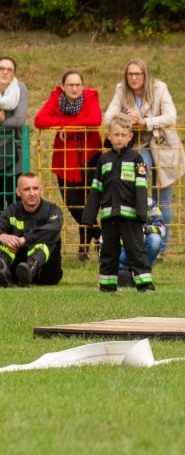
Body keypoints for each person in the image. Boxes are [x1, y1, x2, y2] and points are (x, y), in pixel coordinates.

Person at [104, 58, 185, 257]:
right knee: (137, 188)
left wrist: (145, 121)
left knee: (164, 200)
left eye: (137, 74)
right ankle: (137, 239)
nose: (133, 78)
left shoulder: (160, 88)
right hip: (139, 145)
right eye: (130, 74)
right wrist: (127, 120)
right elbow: (107, 118)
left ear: (145, 75)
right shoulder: (121, 89)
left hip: (164, 146)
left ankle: (161, 248)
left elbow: (171, 117)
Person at [34, 70, 103, 262]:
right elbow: (40, 120)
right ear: (63, 86)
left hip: (90, 157)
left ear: (83, 86)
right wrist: (66, 123)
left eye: (77, 85)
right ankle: (100, 236)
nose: (74, 88)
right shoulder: (56, 99)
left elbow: (95, 120)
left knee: (88, 203)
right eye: (70, 85)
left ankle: (83, 250)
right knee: (73, 204)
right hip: (65, 159)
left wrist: (68, 128)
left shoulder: (90, 96)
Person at [82, 114, 154, 293]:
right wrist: (89, 215)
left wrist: (141, 214)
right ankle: (107, 286)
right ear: (109, 135)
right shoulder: (103, 160)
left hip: (130, 217)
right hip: (108, 216)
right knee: (108, 251)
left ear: (130, 137)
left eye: (123, 134)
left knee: (136, 251)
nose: (119, 138)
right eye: (116, 134)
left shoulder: (137, 159)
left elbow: (141, 187)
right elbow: (96, 188)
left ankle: (145, 286)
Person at [0, 172, 64, 287]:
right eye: (26, 189)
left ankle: (30, 267)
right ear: (18, 192)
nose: (32, 193)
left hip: (46, 273)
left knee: (48, 237)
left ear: (41, 190)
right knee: (7, 240)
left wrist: (25, 239)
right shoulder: (12, 210)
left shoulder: (52, 210)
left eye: (35, 188)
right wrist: (2, 236)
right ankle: (3, 268)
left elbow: (54, 228)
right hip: (18, 271)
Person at [0, 56, 28, 209]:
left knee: (14, 203)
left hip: (11, 156)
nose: (4, 72)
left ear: (14, 73)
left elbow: (19, 120)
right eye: (1, 69)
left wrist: (1, 121)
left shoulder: (20, 89)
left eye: (9, 69)